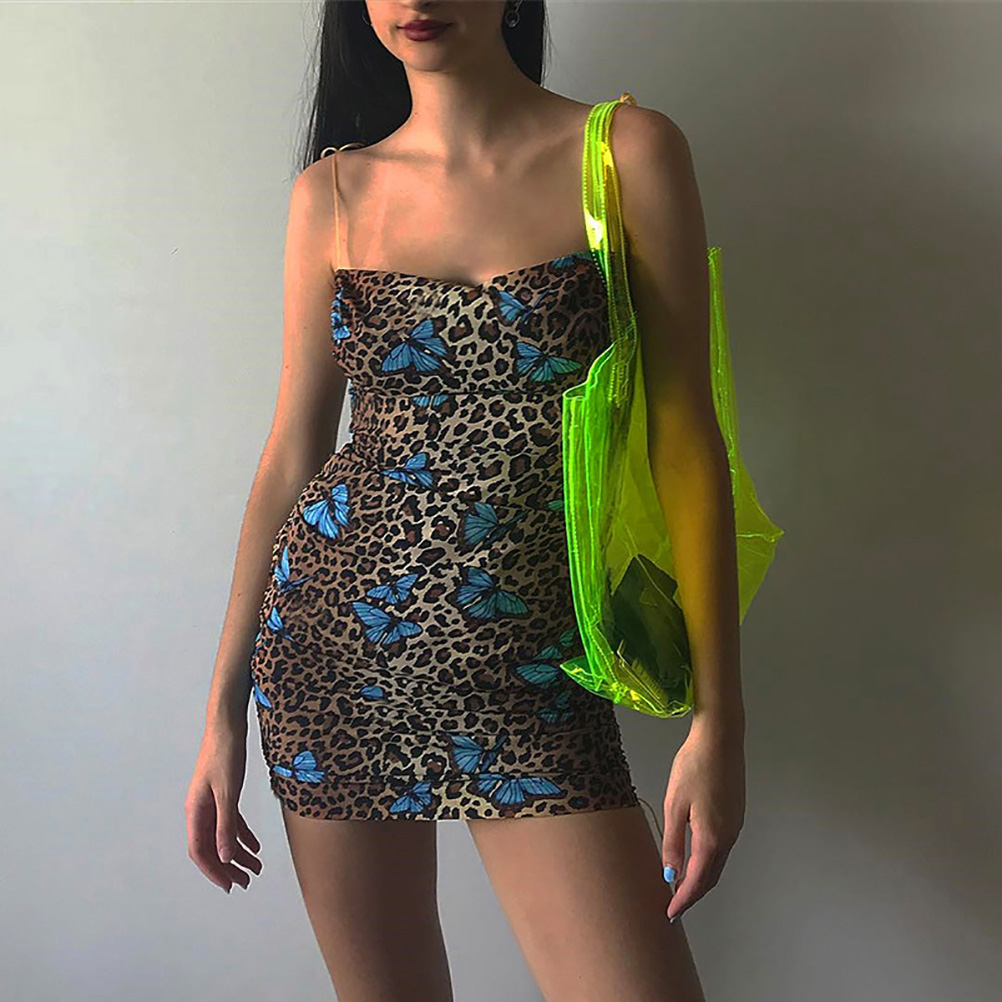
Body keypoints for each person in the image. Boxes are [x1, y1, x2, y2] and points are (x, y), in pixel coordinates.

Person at [187, 3, 745, 1000]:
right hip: (333, 661)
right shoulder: (334, 192)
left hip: (538, 672)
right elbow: (291, 455)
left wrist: (720, 721)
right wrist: (222, 709)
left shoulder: (626, 153)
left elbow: (686, 444)